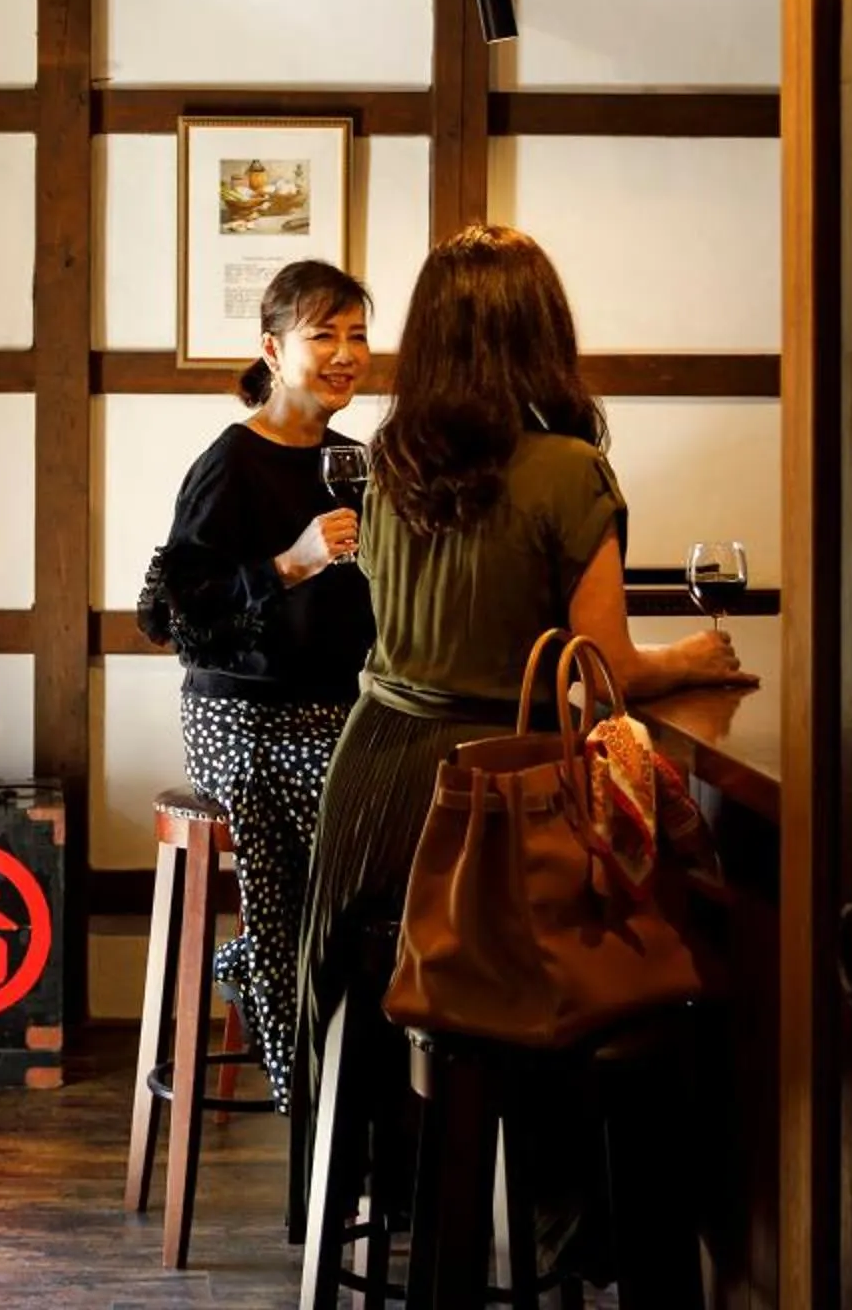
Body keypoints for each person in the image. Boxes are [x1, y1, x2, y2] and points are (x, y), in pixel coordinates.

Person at [294, 225, 755, 1269]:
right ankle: (574, 1228)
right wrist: (691, 653)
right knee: (626, 972)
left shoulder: (388, 460)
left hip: (372, 788)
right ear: (544, 332)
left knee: (389, 994)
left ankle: (404, 1200)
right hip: (500, 802)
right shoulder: (567, 471)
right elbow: (604, 667)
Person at [149, 258, 376, 1113]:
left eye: (357, 335)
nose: (346, 354)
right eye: (325, 335)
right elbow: (174, 615)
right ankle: (319, 1103)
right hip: (239, 713)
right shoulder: (231, 464)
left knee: (402, 829)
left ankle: (348, 1075)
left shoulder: (356, 461)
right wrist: (291, 563)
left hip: (337, 711)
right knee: (329, 841)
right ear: (274, 351)